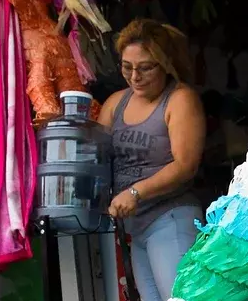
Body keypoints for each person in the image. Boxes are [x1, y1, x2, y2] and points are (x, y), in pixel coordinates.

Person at [98, 19, 205, 301]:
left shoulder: (180, 99)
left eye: (146, 67)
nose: (135, 76)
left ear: (165, 63)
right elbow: (94, 157)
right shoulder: (114, 103)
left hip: (170, 218)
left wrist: (135, 192)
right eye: (126, 66)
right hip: (135, 227)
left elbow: (186, 165)